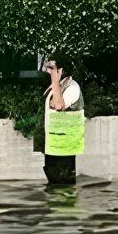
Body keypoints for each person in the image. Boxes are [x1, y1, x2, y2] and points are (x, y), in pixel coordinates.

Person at [42, 57, 84, 185]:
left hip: (66, 147)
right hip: (54, 145)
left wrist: (55, 80)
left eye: (52, 68)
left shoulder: (72, 87)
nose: (47, 71)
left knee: (63, 186)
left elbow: (59, 106)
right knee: (54, 185)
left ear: (62, 70)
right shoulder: (57, 87)